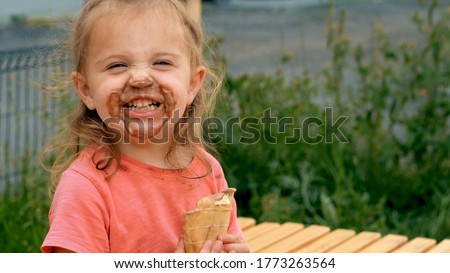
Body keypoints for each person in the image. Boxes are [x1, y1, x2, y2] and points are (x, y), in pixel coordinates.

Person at [41, 0, 249, 253]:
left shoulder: (207, 170)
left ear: (193, 84)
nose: (140, 78)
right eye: (117, 65)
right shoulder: (86, 189)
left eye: (161, 62)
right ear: (86, 90)